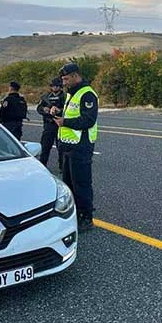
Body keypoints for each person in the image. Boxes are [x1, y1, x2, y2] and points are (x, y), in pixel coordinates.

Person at [53, 63, 98, 233]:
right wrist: (58, 111)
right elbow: (71, 114)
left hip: (81, 146)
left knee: (82, 184)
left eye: (65, 79)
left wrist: (65, 122)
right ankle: (74, 214)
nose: (63, 83)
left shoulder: (86, 94)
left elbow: (88, 120)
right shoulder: (72, 94)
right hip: (68, 147)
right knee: (69, 184)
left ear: (75, 76)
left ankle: (86, 218)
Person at [36, 77, 65, 168]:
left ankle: (62, 166)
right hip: (49, 124)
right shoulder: (46, 96)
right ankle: (42, 165)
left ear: (60, 87)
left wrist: (59, 110)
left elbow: (69, 110)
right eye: (53, 86)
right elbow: (39, 108)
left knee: (61, 148)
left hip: (60, 124)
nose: (55, 88)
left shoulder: (65, 97)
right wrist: (44, 109)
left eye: (57, 86)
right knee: (45, 146)